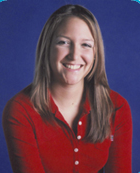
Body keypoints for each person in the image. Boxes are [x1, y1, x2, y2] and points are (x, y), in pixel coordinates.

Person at [2, 4, 132, 173]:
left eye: (85, 45)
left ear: (95, 53)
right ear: (47, 48)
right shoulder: (20, 110)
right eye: (63, 42)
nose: (74, 55)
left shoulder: (117, 107)